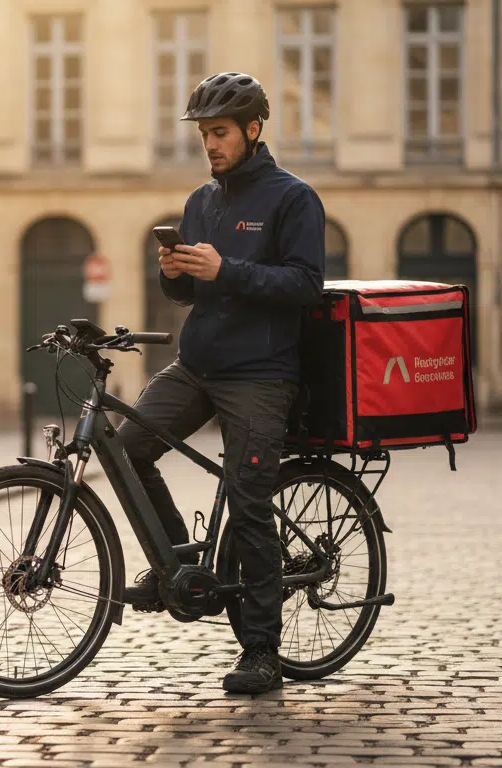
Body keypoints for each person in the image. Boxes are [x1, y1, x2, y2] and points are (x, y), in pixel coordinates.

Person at [118, 72, 326, 694]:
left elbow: (304, 285)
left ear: (253, 130)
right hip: (197, 366)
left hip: (260, 375)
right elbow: (189, 293)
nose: (210, 145)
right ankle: (177, 563)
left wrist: (225, 268)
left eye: (220, 133)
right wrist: (175, 272)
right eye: (204, 135)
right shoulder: (200, 203)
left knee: (250, 500)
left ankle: (261, 650)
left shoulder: (294, 199)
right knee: (129, 448)